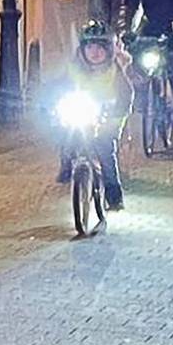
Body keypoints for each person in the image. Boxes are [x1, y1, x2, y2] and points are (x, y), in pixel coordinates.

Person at [62, 21, 128, 210]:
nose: (95, 52)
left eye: (100, 47)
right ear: (82, 50)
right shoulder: (74, 69)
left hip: (108, 118)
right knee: (67, 136)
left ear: (108, 50)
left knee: (105, 151)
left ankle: (114, 194)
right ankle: (67, 165)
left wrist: (118, 111)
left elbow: (126, 94)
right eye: (90, 47)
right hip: (82, 111)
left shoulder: (114, 71)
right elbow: (60, 85)